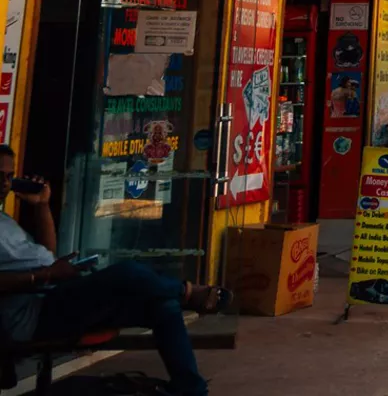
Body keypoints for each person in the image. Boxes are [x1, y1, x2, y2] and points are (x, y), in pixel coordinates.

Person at [0, 145, 223, 396]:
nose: (5, 184)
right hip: (32, 312)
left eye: (9, 177)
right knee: (127, 274)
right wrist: (46, 276)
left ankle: (192, 390)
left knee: (161, 305)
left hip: (54, 292)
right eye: (0, 176)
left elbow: (47, 255)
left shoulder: (4, 219)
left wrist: (41, 206)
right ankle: (186, 291)